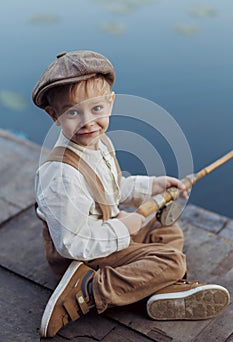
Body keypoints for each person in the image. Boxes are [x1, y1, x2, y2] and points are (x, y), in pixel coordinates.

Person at [32, 50, 230, 338]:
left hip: (106, 231)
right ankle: (86, 290)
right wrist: (124, 226)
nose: (88, 122)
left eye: (96, 109)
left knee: (167, 231)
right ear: (54, 115)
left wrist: (152, 186)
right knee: (172, 262)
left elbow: (111, 189)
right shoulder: (61, 175)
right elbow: (71, 244)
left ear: (110, 103)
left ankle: (153, 289)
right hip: (81, 257)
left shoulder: (98, 144)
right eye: (73, 112)